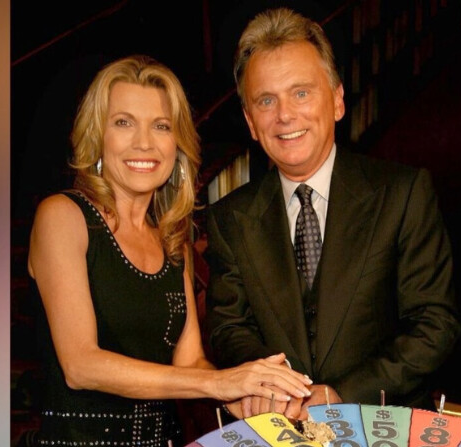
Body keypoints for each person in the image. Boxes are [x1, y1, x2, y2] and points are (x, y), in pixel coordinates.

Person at [27, 54, 312, 446]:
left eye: (161, 126)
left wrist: (248, 397)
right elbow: (81, 365)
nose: (144, 142)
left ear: (176, 145)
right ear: (97, 136)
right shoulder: (63, 216)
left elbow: (190, 361)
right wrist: (219, 382)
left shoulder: (172, 238)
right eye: (123, 123)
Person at [204, 7, 461, 421]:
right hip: (279, 431)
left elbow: (434, 324)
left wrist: (343, 394)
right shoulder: (228, 218)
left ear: (338, 100)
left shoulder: (404, 192)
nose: (285, 115)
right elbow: (228, 328)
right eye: (266, 100)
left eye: (301, 92)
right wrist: (278, 386)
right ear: (251, 122)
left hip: (384, 425)